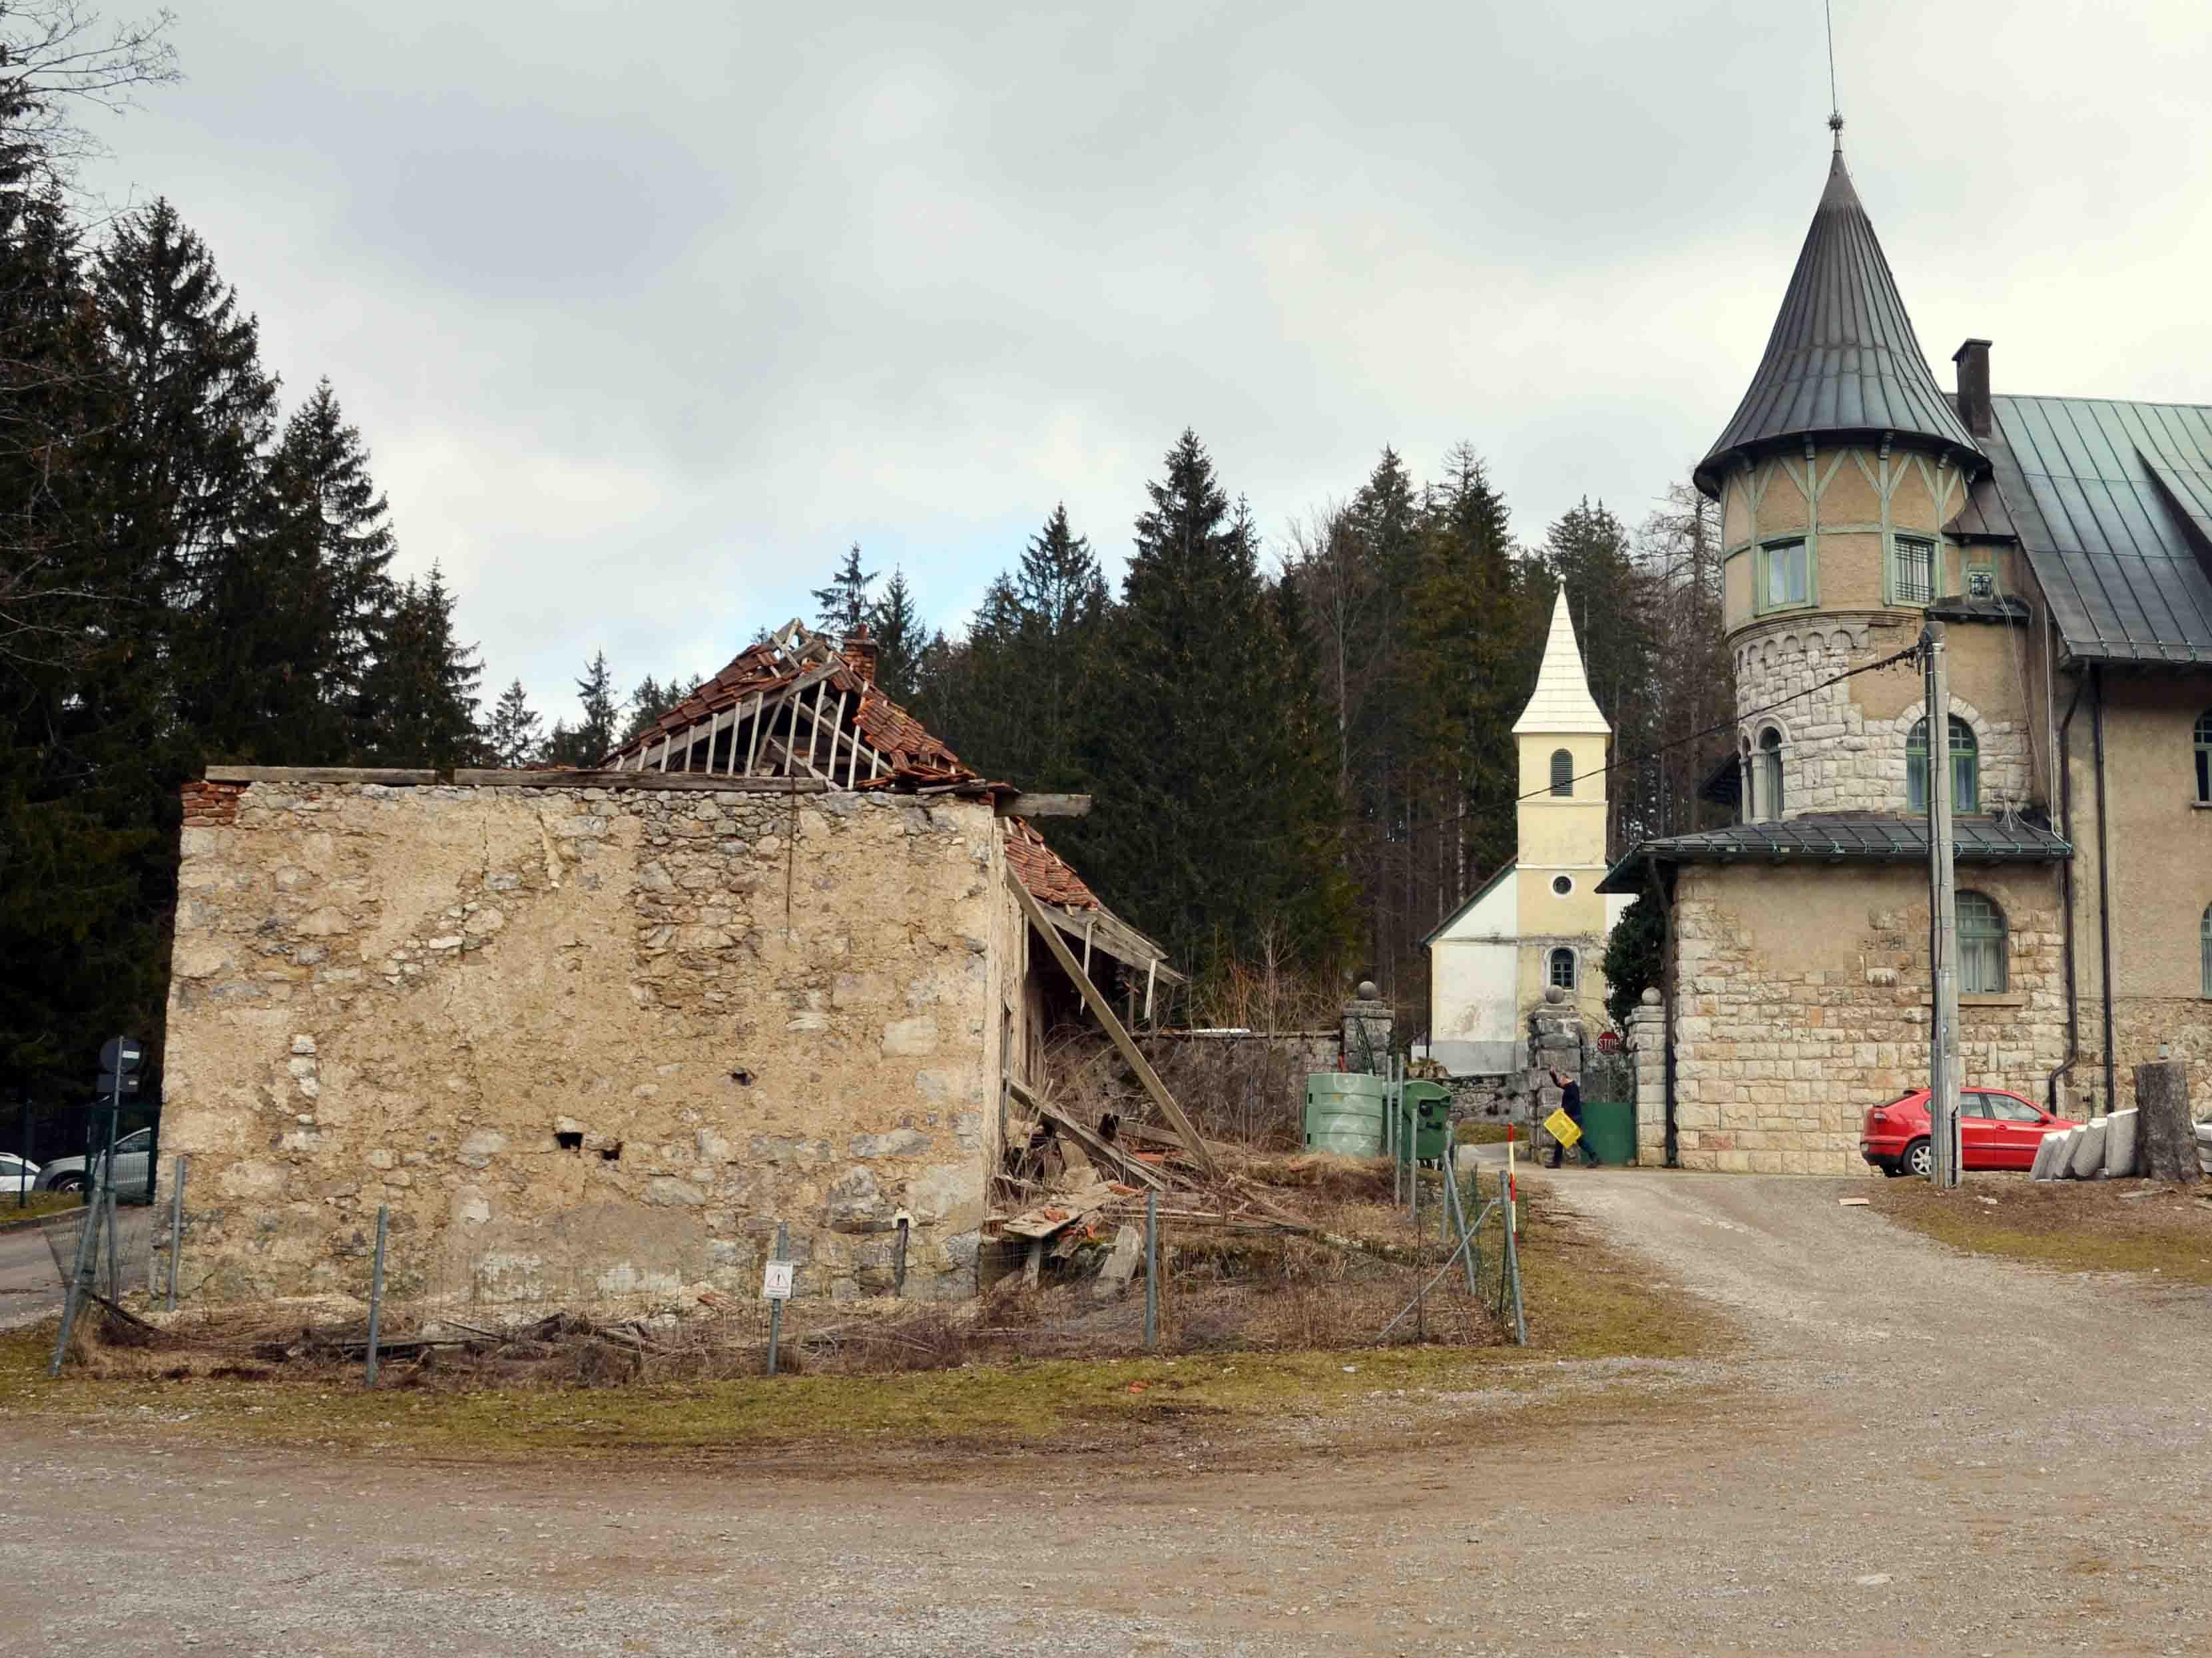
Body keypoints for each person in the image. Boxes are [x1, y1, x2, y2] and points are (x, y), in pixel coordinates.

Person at [1550, 1067, 1599, 1167]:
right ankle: (1556, 1162)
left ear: (1565, 1078)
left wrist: (1565, 1109)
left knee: (1579, 1140)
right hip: (1571, 1118)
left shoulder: (1573, 1087)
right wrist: (1553, 1075)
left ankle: (1595, 1157)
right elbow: (1557, 1083)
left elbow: (1575, 1102)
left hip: (1574, 1118)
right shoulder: (1568, 1086)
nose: (1560, 1082)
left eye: (1560, 1079)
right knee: (1563, 1138)